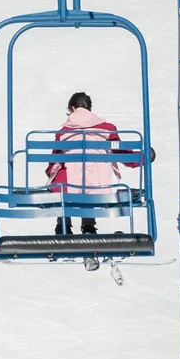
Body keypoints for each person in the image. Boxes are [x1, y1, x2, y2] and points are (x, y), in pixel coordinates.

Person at [46, 92, 133, 265]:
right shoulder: (107, 128)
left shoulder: (64, 132)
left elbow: (55, 160)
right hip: (97, 188)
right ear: (89, 108)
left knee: (63, 183)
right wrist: (142, 159)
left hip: (69, 188)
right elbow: (123, 154)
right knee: (89, 182)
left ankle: (63, 229)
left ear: (72, 109)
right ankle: (88, 228)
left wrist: (50, 173)